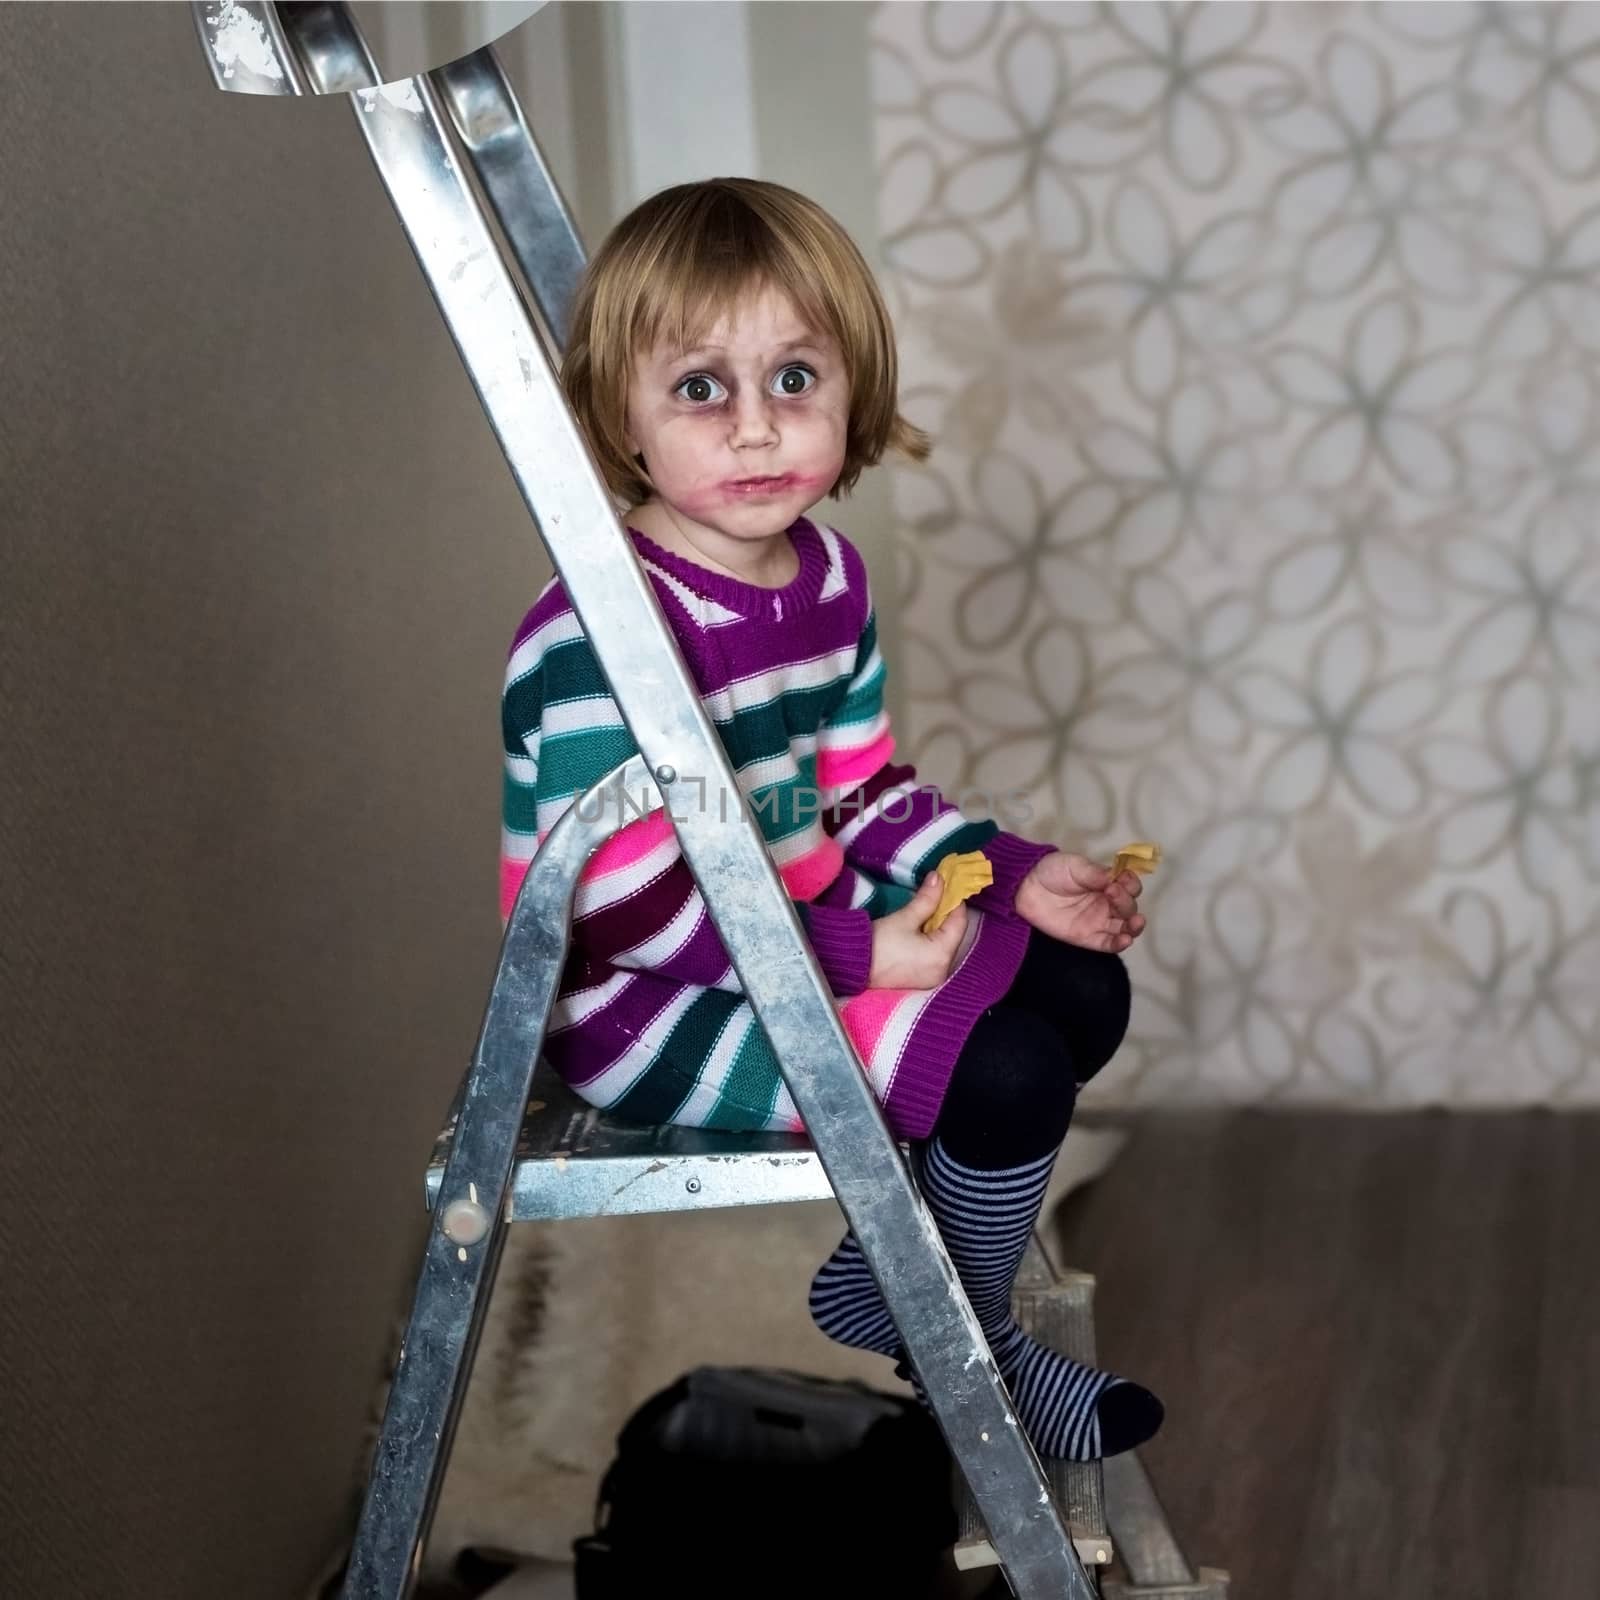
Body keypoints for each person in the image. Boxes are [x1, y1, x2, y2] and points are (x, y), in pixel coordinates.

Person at [500, 177, 1163, 1463]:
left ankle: (897, 1286)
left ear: (849, 387)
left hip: (797, 941)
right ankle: (966, 1345)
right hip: (649, 1002)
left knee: (1083, 990)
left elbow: (858, 795)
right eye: (701, 388)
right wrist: (865, 960)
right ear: (624, 421)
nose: (755, 430)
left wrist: (1013, 878)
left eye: (793, 378)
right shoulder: (603, 631)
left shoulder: (827, 576)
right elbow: (622, 905)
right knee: (1008, 1069)